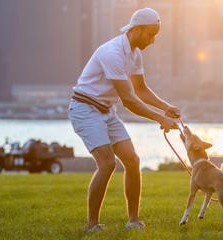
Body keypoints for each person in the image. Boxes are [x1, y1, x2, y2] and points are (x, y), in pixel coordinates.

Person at [68, 8, 180, 232]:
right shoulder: (113, 53)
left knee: (132, 160)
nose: (153, 41)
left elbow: (141, 90)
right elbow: (128, 100)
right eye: (151, 35)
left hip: (106, 111)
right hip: (85, 109)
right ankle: (92, 226)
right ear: (136, 30)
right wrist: (160, 119)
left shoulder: (135, 53)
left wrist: (166, 107)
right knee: (108, 164)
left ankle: (133, 221)